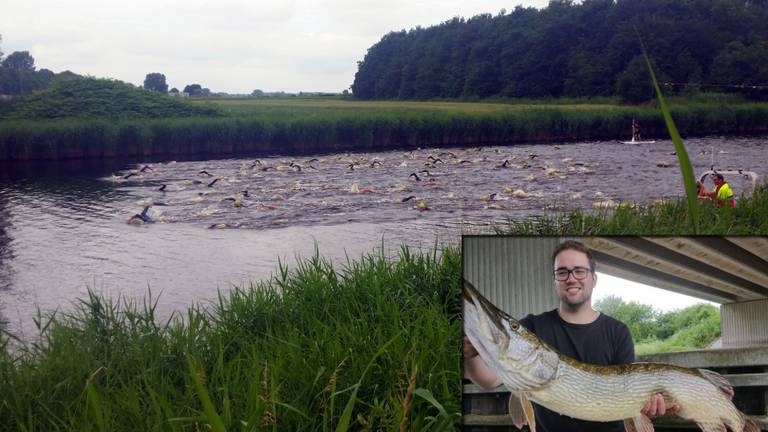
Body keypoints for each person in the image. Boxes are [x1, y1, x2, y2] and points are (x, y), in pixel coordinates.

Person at [463, 240, 678, 432]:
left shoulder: (617, 331)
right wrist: (470, 355)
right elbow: (489, 380)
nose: (571, 278)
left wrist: (646, 407)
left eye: (579, 271)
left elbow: (630, 393)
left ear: (594, 279)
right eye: (562, 272)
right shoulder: (533, 325)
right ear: (555, 280)